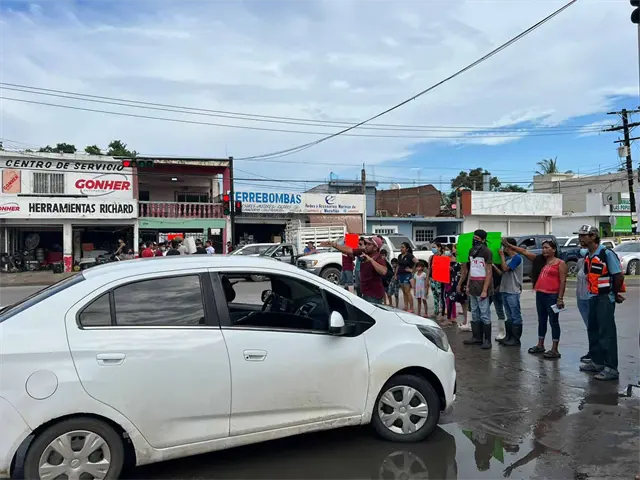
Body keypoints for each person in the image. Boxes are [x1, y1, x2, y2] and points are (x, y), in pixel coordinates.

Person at [577, 225, 625, 381]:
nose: (580, 238)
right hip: (592, 296)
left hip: (604, 298)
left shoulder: (606, 253)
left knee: (606, 333)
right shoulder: (588, 255)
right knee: (593, 330)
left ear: (593, 236)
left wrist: (614, 294)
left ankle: (611, 368)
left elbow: (618, 276)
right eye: (580, 235)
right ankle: (597, 362)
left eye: (584, 235)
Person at [508, 239, 567, 359]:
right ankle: (540, 344)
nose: (544, 250)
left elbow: (563, 281)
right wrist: (509, 245)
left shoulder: (560, 263)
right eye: (543, 248)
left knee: (554, 321)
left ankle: (554, 349)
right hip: (540, 294)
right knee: (542, 320)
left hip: (552, 296)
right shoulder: (540, 260)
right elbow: (524, 252)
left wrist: (560, 298)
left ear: (554, 250)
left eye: (547, 248)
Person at [323, 236, 388, 304]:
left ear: (375, 248)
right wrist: (334, 245)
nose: (366, 246)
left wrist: (371, 260)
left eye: (369, 244)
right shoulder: (364, 252)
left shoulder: (379, 257)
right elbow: (350, 250)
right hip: (365, 293)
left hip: (373, 295)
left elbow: (383, 271)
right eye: (366, 243)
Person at [460, 229, 493, 349]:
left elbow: (489, 272)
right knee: (474, 312)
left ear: (483, 240)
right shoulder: (471, 251)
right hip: (473, 284)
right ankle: (476, 337)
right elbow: (471, 269)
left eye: (477, 238)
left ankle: (487, 340)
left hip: (482, 285)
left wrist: (484, 290)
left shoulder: (487, 252)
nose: (475, 240)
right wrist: (468, 284)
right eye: (474, 238)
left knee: (484, 313)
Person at [497, 237, 524, 347]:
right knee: (509, 315)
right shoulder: (509, 259)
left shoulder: (517, 258)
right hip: (505, 288)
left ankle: (516, 338)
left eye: (504, 246)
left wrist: (501, 256)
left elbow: (505, 269)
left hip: (513, 290)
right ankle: (509, 336)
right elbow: (502, 272)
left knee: (515, 314)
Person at [576, 243, 591, 363]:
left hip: (591, 297)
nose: (582, 250)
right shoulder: (581, 262)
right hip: (581, 298)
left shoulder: (596, 260)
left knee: (595, 327)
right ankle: (592, 351)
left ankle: (598, 353)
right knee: (589, 327)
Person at [396, 242, 418, 312]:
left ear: (407, 249)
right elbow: (398, 265)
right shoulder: (400, 256)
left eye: (403, 247)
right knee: (404, 292)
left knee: (407, 291)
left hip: (407, 275)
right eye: (401, 247)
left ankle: (411, 308)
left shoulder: (409, 256)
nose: (401, 249)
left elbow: (417, 262)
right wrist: (395, 274)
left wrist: (412, 270)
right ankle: (406, 306)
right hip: (401, 275)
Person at [428, 243, 445, 322]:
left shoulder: (443, 256)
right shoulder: (431, 257)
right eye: (432, 247)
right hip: (432, 278)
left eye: (434, 247)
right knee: (435, 295)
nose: (433, 249)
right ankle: (436, 311)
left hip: (440, 278)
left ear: (439, 248)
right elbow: (429, 269)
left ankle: (442, 312)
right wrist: (427, 279)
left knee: (440, 295)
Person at [491, 263, 506, 341]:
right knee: (499, 310)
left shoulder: (501, 261)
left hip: (500, 287)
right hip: (492, 288)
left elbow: (502, 273)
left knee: (502, 310)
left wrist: (493, 266)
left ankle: (503, 332)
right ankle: (502, 332)